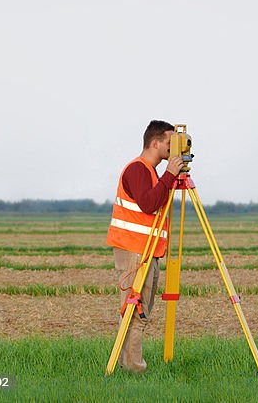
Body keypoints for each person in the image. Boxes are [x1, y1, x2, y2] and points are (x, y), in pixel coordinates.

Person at [105, 120, 185, 373]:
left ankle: (130, 365)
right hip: (134, 251)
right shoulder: (138, 170)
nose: (175, 150)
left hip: (145, 250)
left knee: (139, 313)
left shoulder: (151, 172)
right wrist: (170, 174)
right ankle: (134, 369)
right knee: (135, 312)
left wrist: (169, 177)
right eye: (171, 144)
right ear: (155, 143)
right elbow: (148, 204)